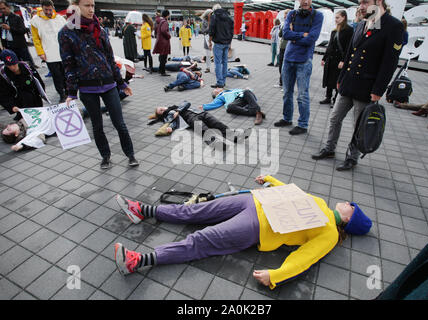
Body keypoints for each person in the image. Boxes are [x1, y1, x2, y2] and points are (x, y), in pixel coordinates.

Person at [113, 175, 372, 289]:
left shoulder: (330, 234)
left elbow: (306, 258)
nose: (348, 203)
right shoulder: (322, 203)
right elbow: (293, 192)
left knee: (201, 240)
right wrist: (270, 179)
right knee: (196, 211)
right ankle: (143, 210)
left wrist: (277, 275)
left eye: (352, 207)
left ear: (350, 219)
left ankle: (138, 261)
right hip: (254, 200)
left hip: (257, 226)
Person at [312, 0, 404, 171]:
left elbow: (389, 63)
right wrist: (341, 78)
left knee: (358, 126)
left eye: (365, 2)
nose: (361, 6)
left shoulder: (393, 26)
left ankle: (351, 158)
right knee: (334, 118)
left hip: (367, 88)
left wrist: (378, 90)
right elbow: (349, 53)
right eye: (360, 2)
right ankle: (329, 149)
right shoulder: (362, 24)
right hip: (349, 82)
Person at [59, 0, 138, 169]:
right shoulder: (66, 32)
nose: (91, 9)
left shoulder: (99, 29)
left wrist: (122, 83)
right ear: (76, 6)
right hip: (87, 87)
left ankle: (130, 154)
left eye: (93, 5)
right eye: (87, 5)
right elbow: (68, 64)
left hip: (109, 84)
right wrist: (71, 93)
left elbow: (110, 58)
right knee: (97, 125)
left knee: (120, 123)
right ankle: (105, 156)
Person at [274, 0, 324, 136]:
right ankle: (287, 118)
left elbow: (312, 38)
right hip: (288, 58)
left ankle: (302, 125)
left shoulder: (317, 16)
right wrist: (303, 34)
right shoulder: (291, 14)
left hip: (304, 60)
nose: (305, 1)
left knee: (302, 95)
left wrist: (295, 36)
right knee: (287, 92)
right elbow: (285, 34)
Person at [147, 101, 248, 146]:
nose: (163, 108)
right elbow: (172, 122)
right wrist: (171, 128)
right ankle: (216, 143)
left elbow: (187, 103)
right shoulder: (168, 115)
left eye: (162, 107)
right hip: (190, 118)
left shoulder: (176, 107)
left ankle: (235, 136)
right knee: (204, 130)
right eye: (160, 110)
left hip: (200, 112)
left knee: (218, 124)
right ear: (161, 114)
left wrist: (178, 110)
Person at [30, 0, 67, 103]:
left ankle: (68, 91)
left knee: (65, 74)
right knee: (56, 75)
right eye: (46, 10)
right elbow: (35, 38)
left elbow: (66, 34)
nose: (48, 12)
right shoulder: (35, 20)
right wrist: (40, 52)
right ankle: (61, 93)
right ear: (42, 8)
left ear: (53, 8)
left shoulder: (60, 19)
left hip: (62, 52)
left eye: (50, 10)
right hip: (49, 53)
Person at [0, 50, 49, 120]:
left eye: (14, 64)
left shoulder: (28, 67)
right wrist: (11, 106)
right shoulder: (3, 75)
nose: (13, 67)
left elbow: (39, 83)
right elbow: (3, 94)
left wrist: (42, 94)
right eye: (9, 65)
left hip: (35, 99)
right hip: (19, 103)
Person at [320, 10, 353, 106]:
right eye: (335, 17)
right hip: (331, 59)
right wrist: (324, 58)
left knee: (338, 80)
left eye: (338, 17)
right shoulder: (334, 30)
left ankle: (336, 100)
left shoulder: (349, 30)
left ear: (344, 17)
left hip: (340, 60)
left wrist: (343, 60)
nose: (336, 19)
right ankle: (328, 97)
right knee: (328, 78)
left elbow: (348, 47)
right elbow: (330, 45)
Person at [0, 1, 35, 67]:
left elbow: (23, 30)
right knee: (16, 65)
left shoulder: (17, 17)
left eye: (4, 8)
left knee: (28, 64)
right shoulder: (1, 19)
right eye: (0, 9)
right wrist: (4, 45)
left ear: (8, 7)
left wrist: (10, 28)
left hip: (20, 45)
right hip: (9, 46)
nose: (2, 10)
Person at [209, 4, 234, 88]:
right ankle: (223, 81)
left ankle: (220, 82)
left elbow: (211, 30)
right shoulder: (228, 17)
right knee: (225, 63)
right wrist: (230, 42)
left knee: (218, 63)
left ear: (214, 9)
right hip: (226, 43)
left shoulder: (214, 16)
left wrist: (209, 42)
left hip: (218, 43)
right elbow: (231, 31)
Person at [153, 10, 171, 77]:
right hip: (164, 42)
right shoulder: (165, 22)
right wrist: (168, 36)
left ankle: (160, 70)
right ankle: (163, 71)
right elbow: (164, 30)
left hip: (160, 40)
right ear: (167, 15)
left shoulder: (160, 21)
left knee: (161, 56)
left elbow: (157, 29)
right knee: (164, 57)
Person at [274, 10, 289, 89]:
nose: (285, 16)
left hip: (287, 48)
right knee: (281, 66)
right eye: (285, 14)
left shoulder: (290, 24)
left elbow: (286, 35)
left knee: (285, 67)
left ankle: (285, 85)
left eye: (286, 14)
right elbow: (280, 34)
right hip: (282, 47)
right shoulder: (284, 24)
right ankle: (281, 82)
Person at [200, 9, 212, 73]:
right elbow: (203, 31)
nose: (211, 15)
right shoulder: (204, 21)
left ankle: (217, 68)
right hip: (207, 38)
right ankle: (208, 67)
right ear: (207, 14)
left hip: (214, 38)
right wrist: (209, 27)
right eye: (210, 14)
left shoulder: (214, 20)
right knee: (208, 54)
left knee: (216, 54)